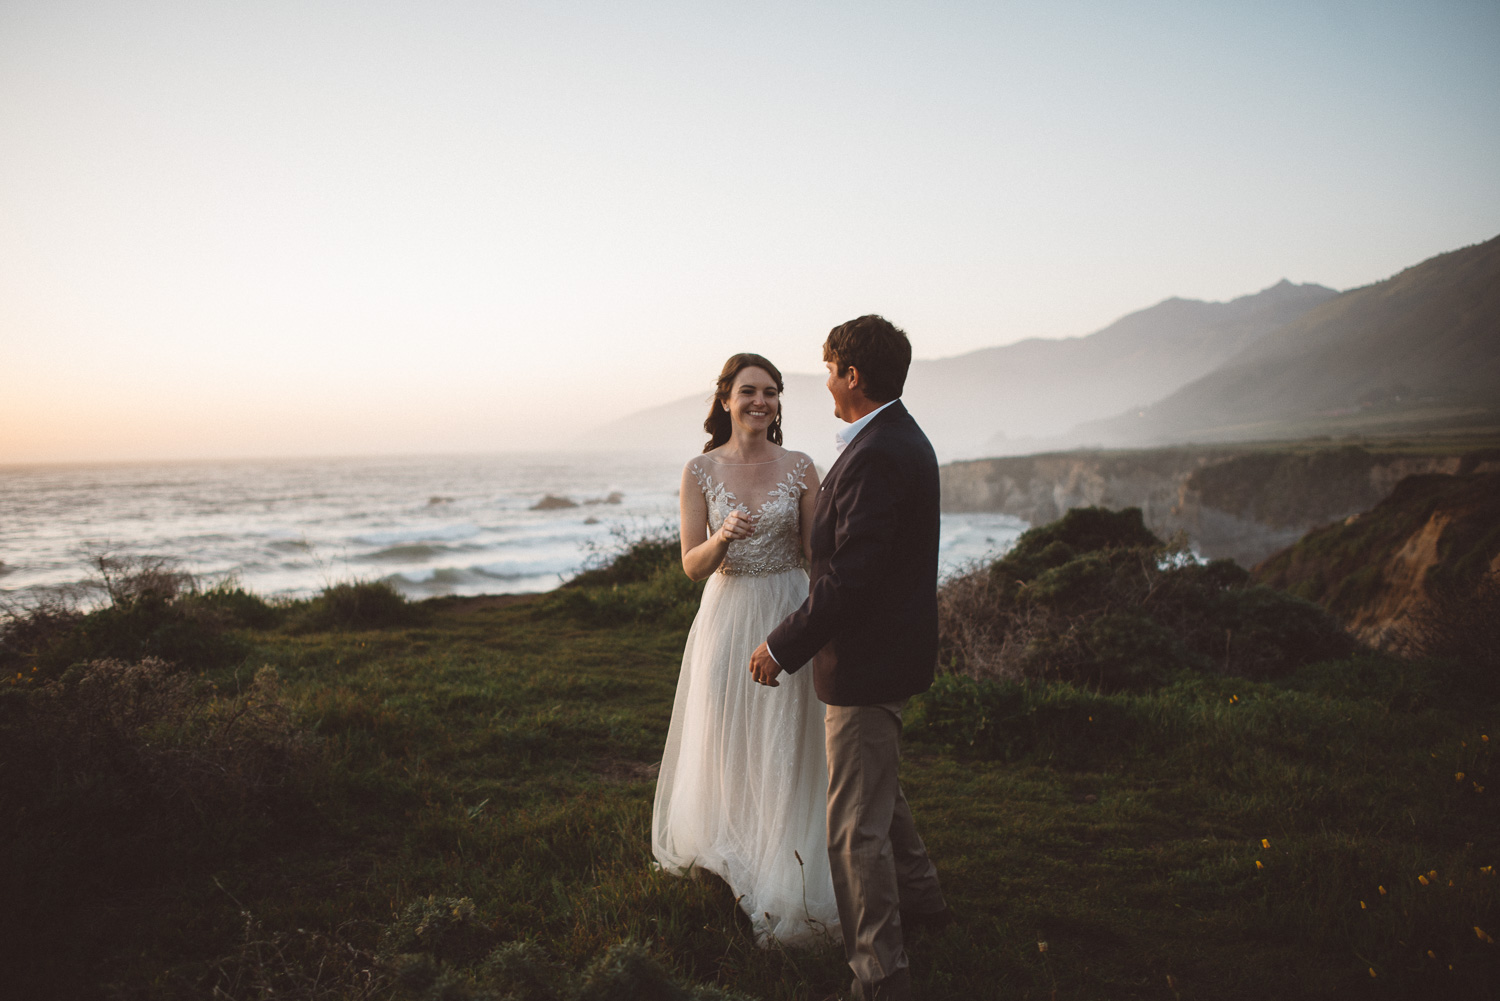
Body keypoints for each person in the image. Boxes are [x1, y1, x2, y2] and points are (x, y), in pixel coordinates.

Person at [749, 316, 950, 1001]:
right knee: (879, 795)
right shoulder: (891, 439)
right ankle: (925, 904)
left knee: (853, 832)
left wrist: (784, 645)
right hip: (884, 656)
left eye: (830, 368)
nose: (826, 381)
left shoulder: (880, 451)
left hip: (866, 661)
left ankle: (879, 977)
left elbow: (853, 576)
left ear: (853, 375)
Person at [651, 352, 841, 945]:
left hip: (788, 608)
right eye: (749, 391)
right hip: (728, 615)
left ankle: (785, 859)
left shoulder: (803, 466)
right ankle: (734, 847)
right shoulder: (699, 470)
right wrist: (724, 539)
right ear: (726, 399)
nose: (761, 401)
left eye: (772, 392)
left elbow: (818, 554)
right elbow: (690, 565)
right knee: (730, 735)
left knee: (786, 735)